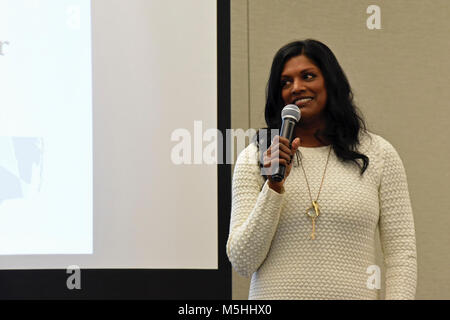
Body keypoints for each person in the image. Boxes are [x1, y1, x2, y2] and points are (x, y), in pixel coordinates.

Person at [226, 39, 417, 300]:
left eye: (308, 76)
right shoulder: (256, 157)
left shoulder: (378, 154)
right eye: (285, 82)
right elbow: (243, 261)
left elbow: (401, 254)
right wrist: (273, 187)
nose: (296, 88)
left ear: (330, 82)